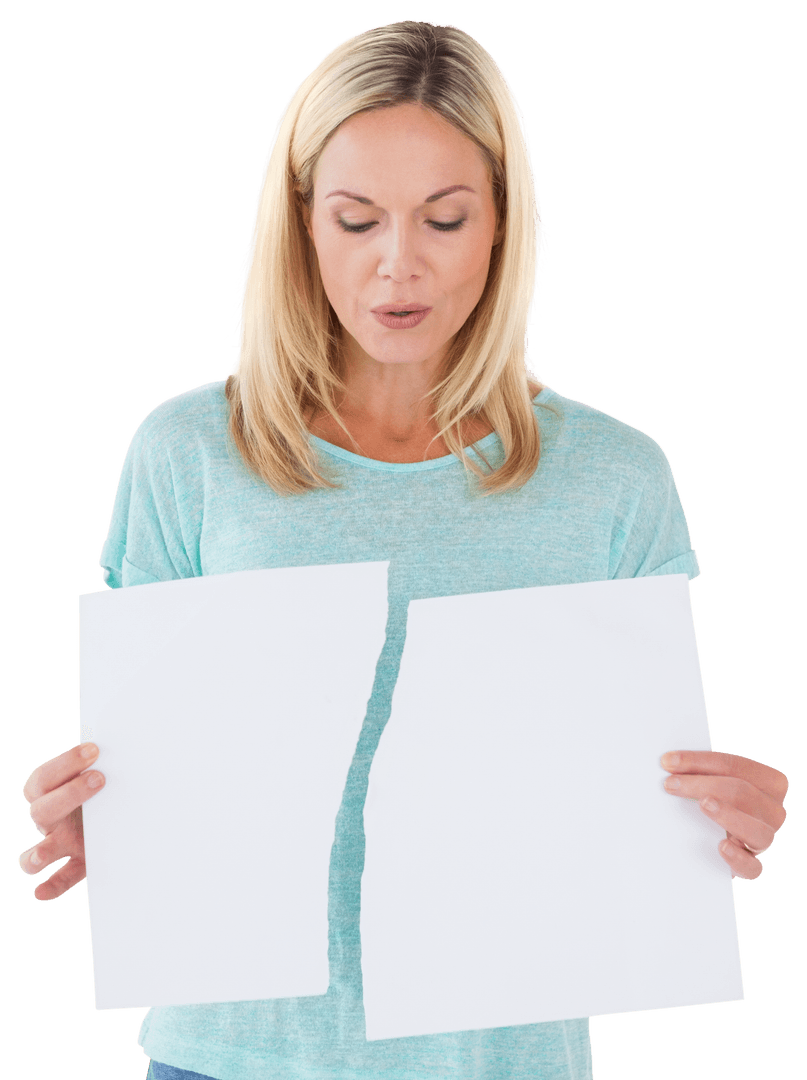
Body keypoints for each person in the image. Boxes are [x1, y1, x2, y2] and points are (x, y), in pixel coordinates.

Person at [17, 19, 789, 1080]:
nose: (398, 265)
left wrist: (720, 817)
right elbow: (153, 767)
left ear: (501, 226)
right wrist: (103, 819)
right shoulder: (187, 451)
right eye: (355, 218)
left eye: (444, 218)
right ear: (301, 226)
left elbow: (626, 799)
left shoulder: (618, 477)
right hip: (227, 1060)